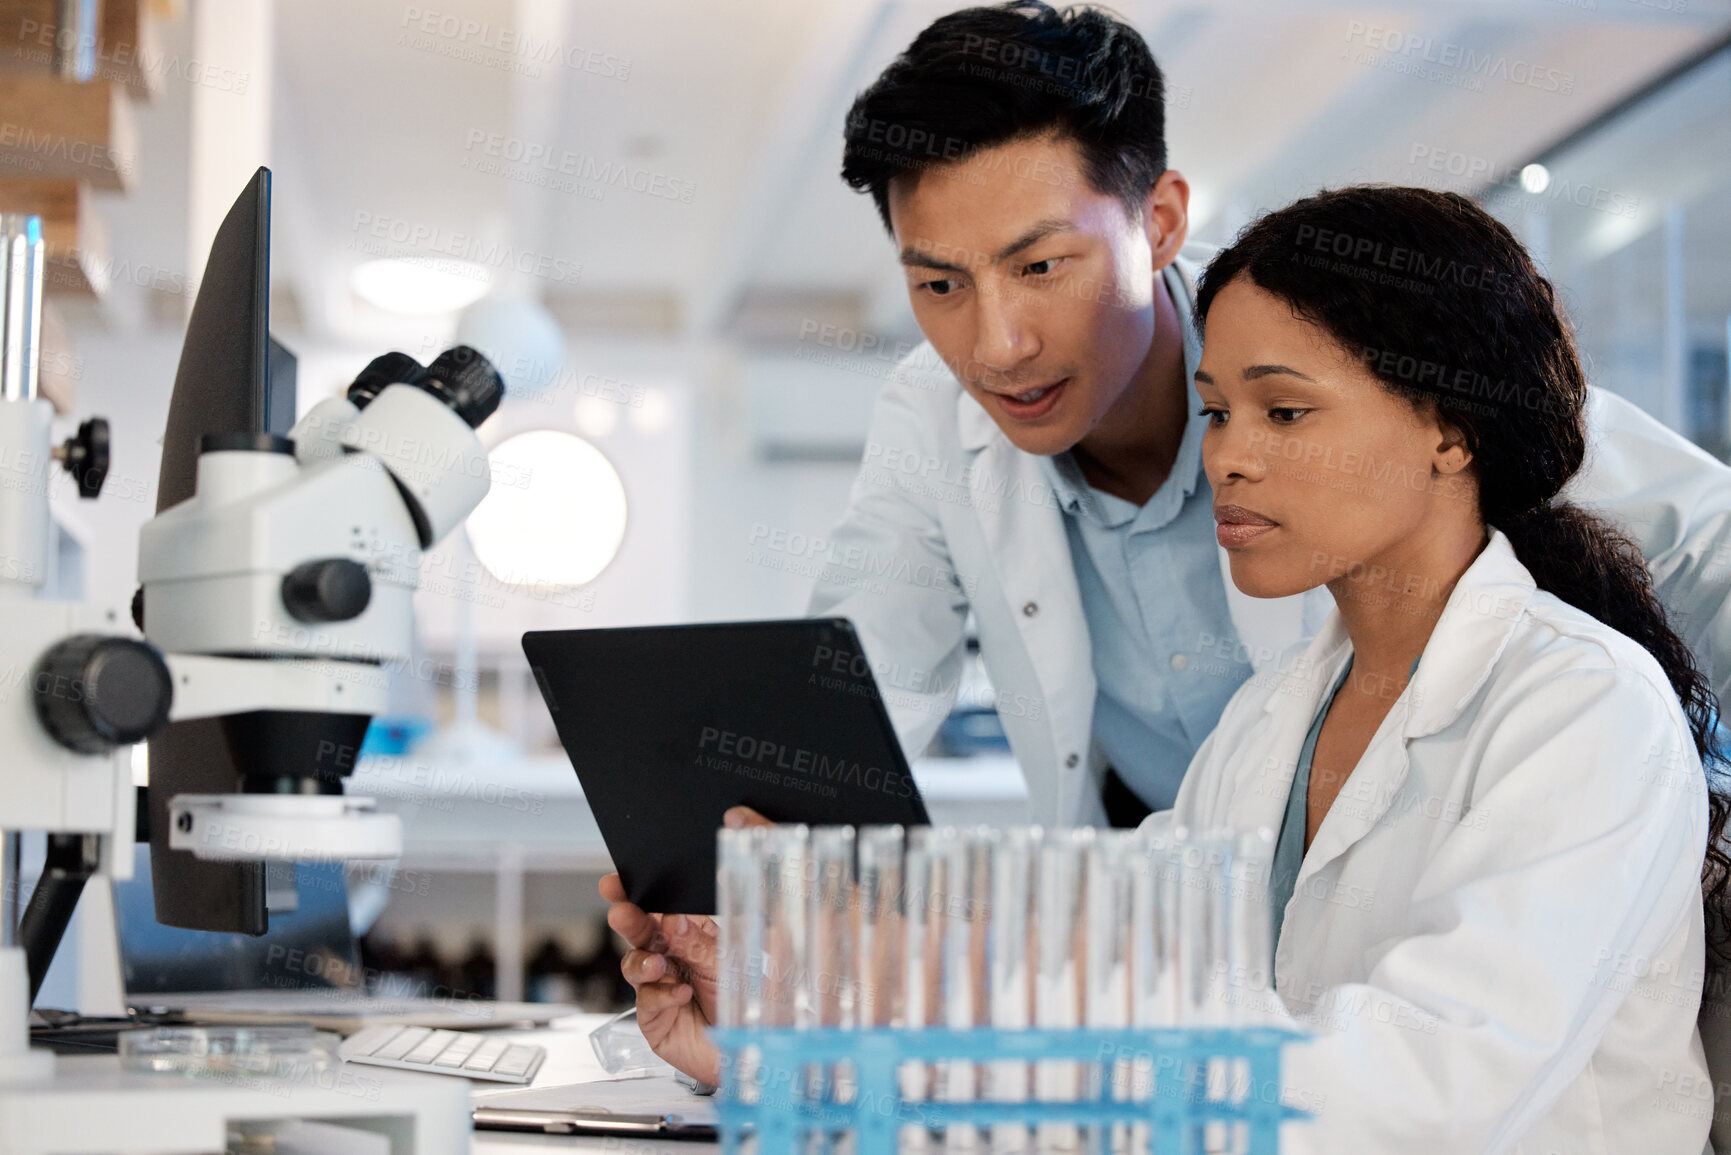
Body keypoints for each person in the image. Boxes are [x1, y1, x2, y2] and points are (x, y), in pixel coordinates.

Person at [603, 1, 1731, 1087]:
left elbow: (1419, 1085)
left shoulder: (1571, 699)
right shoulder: (1269, 729)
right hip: (1230, 908)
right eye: (939, 285)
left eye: (1042, 266)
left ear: (1159, 224)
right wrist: (780, 951)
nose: (996, 344)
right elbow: (852, 698)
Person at [1148, 184, 1720, 1152]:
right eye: (1215, 413)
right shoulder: (1266, 720)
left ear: (1451, 432)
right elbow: (1130, 946)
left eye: (1284, 412)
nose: (1228, 459)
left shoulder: (1588, 710)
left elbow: (1419, 1096)